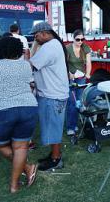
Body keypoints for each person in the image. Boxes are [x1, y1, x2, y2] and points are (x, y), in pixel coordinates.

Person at [0, 37, 38, 193]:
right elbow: (30, 81)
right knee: (21, 146)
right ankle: (15, 184)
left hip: (4, 108)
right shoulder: (27, 65)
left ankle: (27, 168)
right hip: (28, 107)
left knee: (0, 144)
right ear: (18, 50)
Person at [29, 22, 69, 171]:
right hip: (54, 93)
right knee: (54, 127)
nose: (35, 39)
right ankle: (54, 154)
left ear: (45, 33)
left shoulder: (49, 47)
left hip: (52, 95)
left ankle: (56, 159)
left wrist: (30, 51)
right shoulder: (54, 44)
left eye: (36, 35)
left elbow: (30, 64)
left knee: (53, 129)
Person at [65, 29, 92, 136]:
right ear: (73, 39)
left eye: (82, 39)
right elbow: (64, 63)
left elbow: (89, 62)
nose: (80, 41)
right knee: (72, 102)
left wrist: (88, 74)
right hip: (70, 77)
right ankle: (70, 127)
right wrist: (69, 74)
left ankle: (75, 124)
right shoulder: (68, 48)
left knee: (79, 102)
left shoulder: (85, 47)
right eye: (78, 39)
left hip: (81, 77)